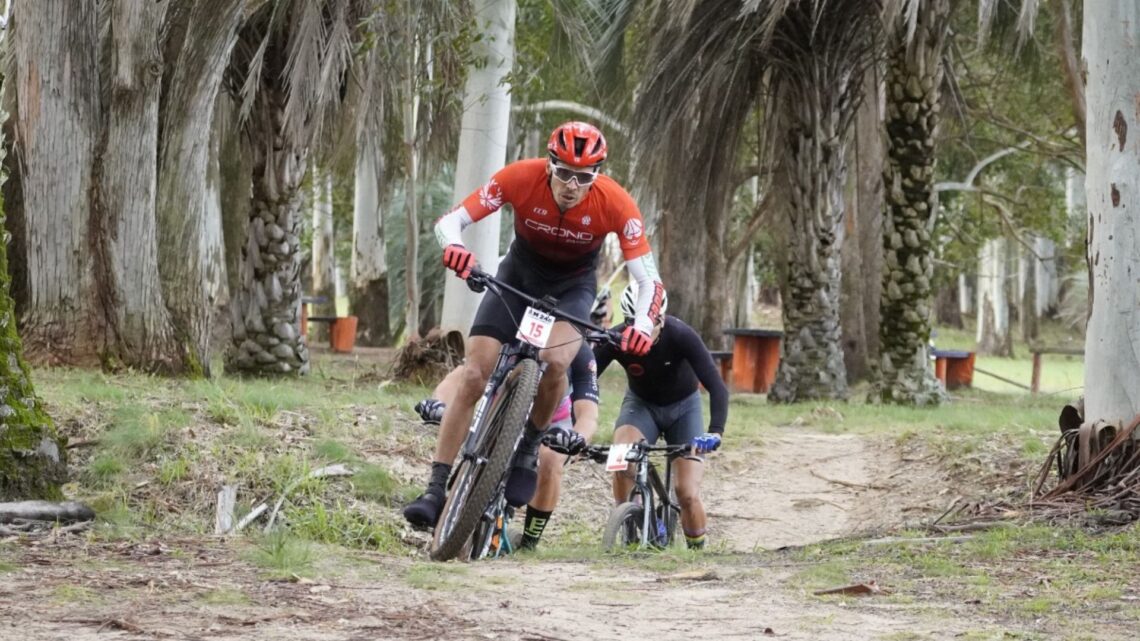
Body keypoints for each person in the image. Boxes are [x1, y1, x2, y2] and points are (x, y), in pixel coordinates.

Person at [403, 121, 665, 529]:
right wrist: (455, 248)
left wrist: (643, 327)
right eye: (563, 172)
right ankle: (436, 488)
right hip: (517, 276)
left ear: (597, 176)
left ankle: (527, 446)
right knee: (475, 373)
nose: (572, 185)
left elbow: (648, 278)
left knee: (556, 362)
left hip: (573, 287)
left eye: (584, 177)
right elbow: (450, 222)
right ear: (549, 164)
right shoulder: (519, 177)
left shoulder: (617, 203)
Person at [593, 283, 728, 549]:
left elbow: (717, 386)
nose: (642, 334)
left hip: (684, 408)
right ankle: (633, 522)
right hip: (641, 406)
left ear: (661, 318)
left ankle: (696, 549)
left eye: (648, 325)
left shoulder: (681, 335)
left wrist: (715, 432)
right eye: (634, 325)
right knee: (621, 459)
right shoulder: (617, 338)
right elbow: (586, 377)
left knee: (686, 493)